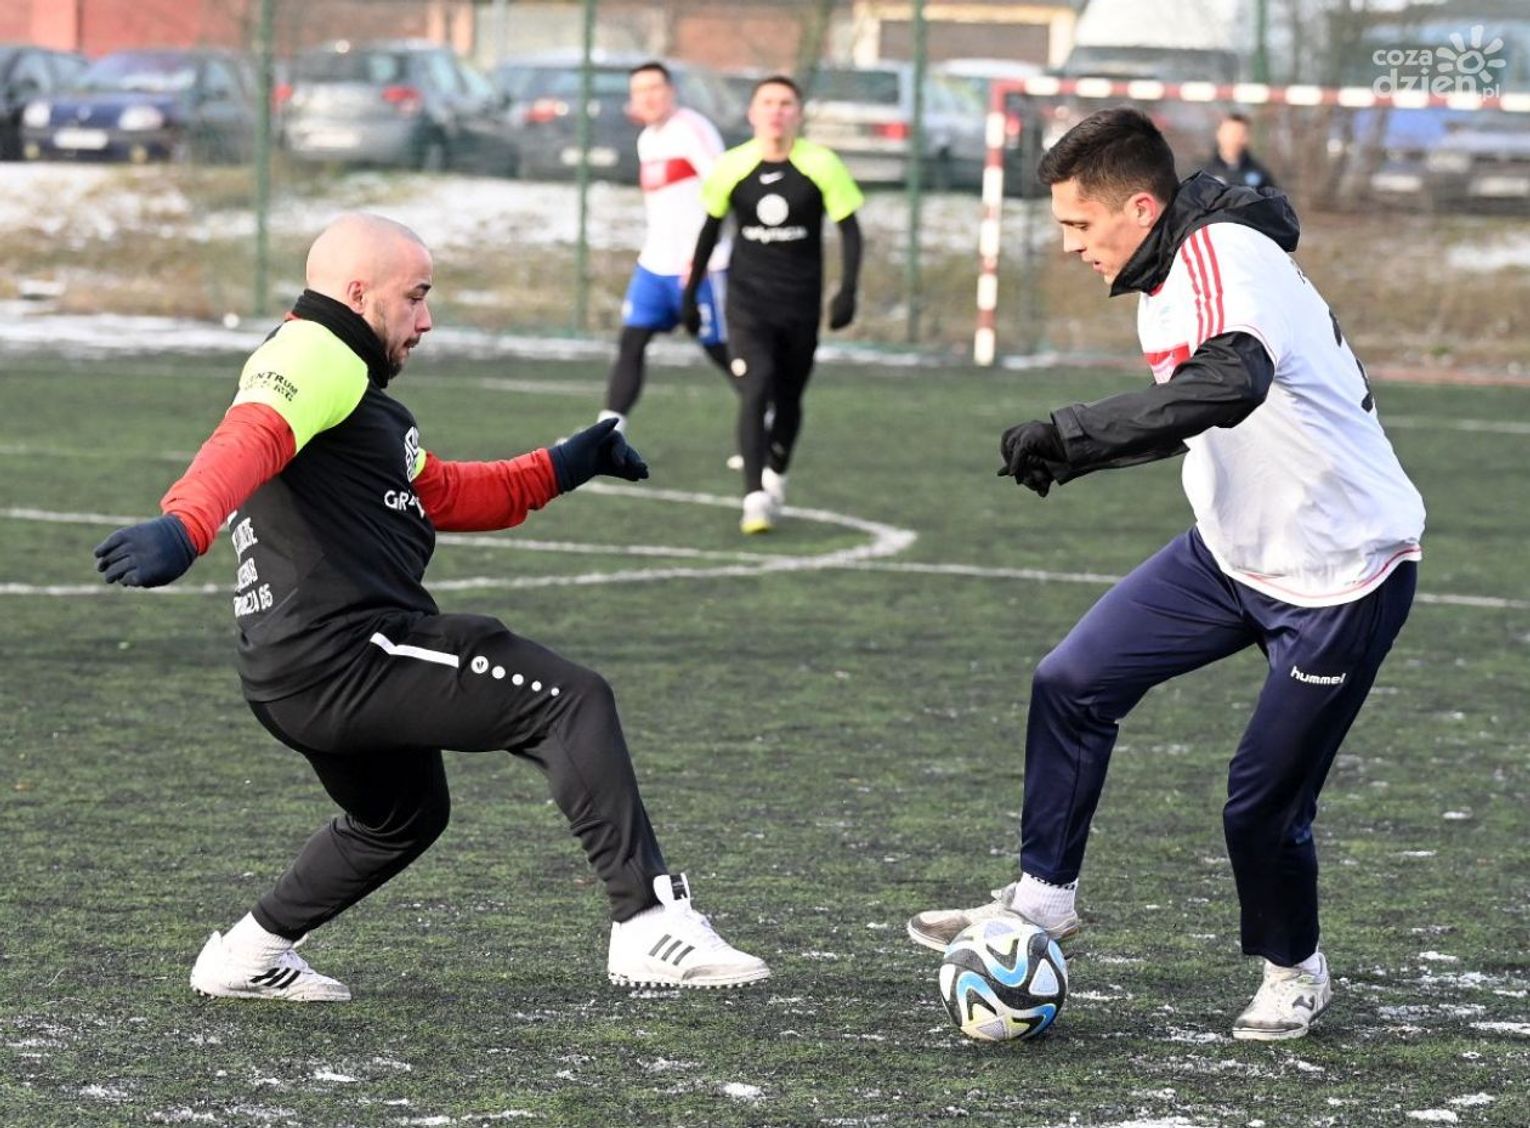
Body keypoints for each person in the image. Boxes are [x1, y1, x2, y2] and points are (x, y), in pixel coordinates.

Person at [93, 213, 770, 1001]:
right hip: (348, 656)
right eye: (414, 297)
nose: (426, 320)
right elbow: (247, 438)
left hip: (293, 673)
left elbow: (440, 493)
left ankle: (246, 954)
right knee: (568, 699)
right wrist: (185, 525)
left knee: (402, 816)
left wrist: (562, 465)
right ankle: (649, 924)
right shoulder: (313, 351)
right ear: (357, 294)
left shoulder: (353, 389)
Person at [906, 108, 1423, 1041]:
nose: (1070, 245)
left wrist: (1073, 432)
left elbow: (1228, 385)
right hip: (1229, 555)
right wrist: (1080, 453)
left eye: (1079, 223)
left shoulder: (1223, 256)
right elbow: (1191, 411)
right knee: (1072, 681)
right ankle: (1044, 899)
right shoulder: (1168, 272)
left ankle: (1295, 970)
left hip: (1343, 576)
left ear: (1140, 208)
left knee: (1260, 806)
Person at [681, 74, 864, 534]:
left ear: (797, 114)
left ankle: (776, 472)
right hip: (748, 303)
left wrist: (847, 291)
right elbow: (708, 231)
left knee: (789, 397)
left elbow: (850, 229)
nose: (776, 112)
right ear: (752, 113)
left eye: (785, 103)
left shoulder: (821, 164)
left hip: (800, 303)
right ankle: (753, 497)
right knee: (755, 386)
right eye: (767, 103)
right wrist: (691, 293)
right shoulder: (731, 166)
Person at [598, 61, 735, 442]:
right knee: (632, 340)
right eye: (639, 91)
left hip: (702, 266)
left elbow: (724, 188)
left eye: (655, 88)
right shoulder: (647, 140)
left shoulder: (692, 128)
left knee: (719, 348)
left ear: (671, 91)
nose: (648, 97)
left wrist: (703, 253)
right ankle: (608, 431)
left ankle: (767, 414)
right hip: (655, 264)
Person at [1202, 111, 1278, 190]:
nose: (1236, 139)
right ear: (1219, 134)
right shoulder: (1204, 173)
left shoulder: (1259, 174)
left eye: (1241, 134)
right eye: (1232, 133)